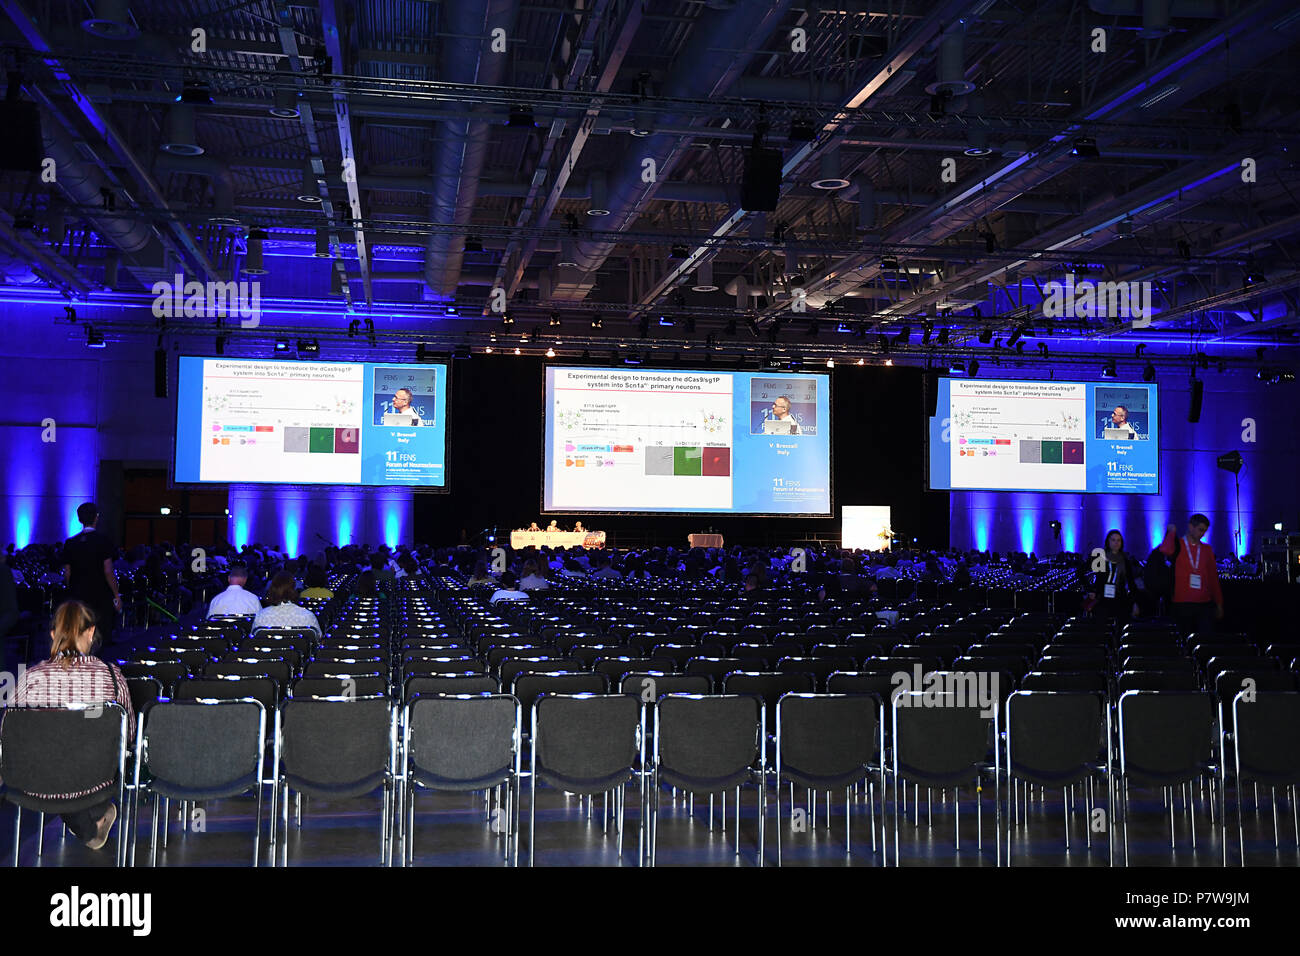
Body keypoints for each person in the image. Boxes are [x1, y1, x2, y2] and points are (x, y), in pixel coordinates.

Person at [12, 601, 133, 851]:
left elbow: (8, 737)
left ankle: (90, 826)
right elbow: (128, 735)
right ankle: (93, 821)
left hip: (34, 782)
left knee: (58, 756)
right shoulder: (110, 676)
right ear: (90, 632)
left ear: (54, 635)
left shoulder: (29, 678)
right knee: (79, 760)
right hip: (93, 779)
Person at [60, 503, 121, 648]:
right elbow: (108, 570)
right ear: (96, 517)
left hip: (78, 594)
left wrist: (73, 589)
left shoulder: (70, 543)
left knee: (79, 632)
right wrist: (116, 594)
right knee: (100, 634)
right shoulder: (103, 540)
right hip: (100, 594)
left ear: (79, 519)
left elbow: (67, 573)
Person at [1158, 514, 1224, 636]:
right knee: (1183, 639)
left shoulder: (1207, 549)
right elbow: (1165, 550)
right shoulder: (1177, 545)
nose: (1203, 534)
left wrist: (1219, 604)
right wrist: (1171, 533)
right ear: (1190, 527)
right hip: (1181, 603)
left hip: (1204, 603)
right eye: (1200, 529)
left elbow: (1213, 578)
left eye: (1204, 531)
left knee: (1204, 640)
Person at [1086, 529, 1140, 624]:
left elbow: (1131, 583)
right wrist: (1090, 589)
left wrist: (1136, 602)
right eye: (1113, 540)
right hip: (1103, 600)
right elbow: (1081, 571)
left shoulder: (1125, 560)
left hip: (1120, 600)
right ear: (1108, 541)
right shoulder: (1100, 558)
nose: (1116, 543)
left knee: (1120, 627)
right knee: (1103, 629)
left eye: (1118, 540)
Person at [251, 571, 322, 636]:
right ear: (294, 588)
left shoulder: (261, 616)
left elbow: (255, 641)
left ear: (272, 589)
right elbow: (317, 638)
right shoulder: (308, 616)